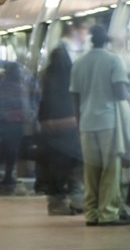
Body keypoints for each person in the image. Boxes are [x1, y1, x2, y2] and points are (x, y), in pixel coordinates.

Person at [70, 25, 130, 227]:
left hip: (86, 123)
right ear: (106, 41)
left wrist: (79, 123)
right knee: (110, 169)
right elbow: (121, 92)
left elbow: (75, 97)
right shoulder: (114, 60)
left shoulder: (79, 63)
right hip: (108, 122)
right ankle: (108, 213)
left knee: (90, 171)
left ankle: (91, 214)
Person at [37, 18, 89, 215]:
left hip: (62, 119)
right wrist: (67, 118)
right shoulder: (61, 54)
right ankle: (60, 202)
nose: (86, 35)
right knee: (64, 161)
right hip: (63, 119)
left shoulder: (62, 54)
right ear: (75, 30)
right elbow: (58, 91)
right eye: (84, 30)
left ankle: (71, 200)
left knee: (68, 160)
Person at [0, 60, 36, 192]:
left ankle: (6, 175)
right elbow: (25, 106)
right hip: (16, 124)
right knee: (12, 151)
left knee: (3, 149)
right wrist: (30, 117)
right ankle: (9, 176)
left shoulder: (1, 86)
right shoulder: (20, 88)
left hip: (2, 123)